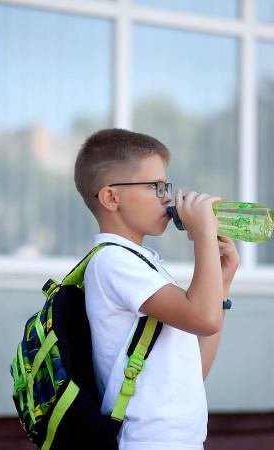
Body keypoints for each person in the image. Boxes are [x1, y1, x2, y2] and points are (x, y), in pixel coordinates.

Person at [73, 128, 240, 450]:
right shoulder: (113, 262)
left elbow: (194, 371)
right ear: (111, 197)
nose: (167, 197)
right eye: (155, 186)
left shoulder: (142, 264)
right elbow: (203, 318)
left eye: (167, 185)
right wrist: (204, 233)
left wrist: (223, 282)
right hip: (145, 442)